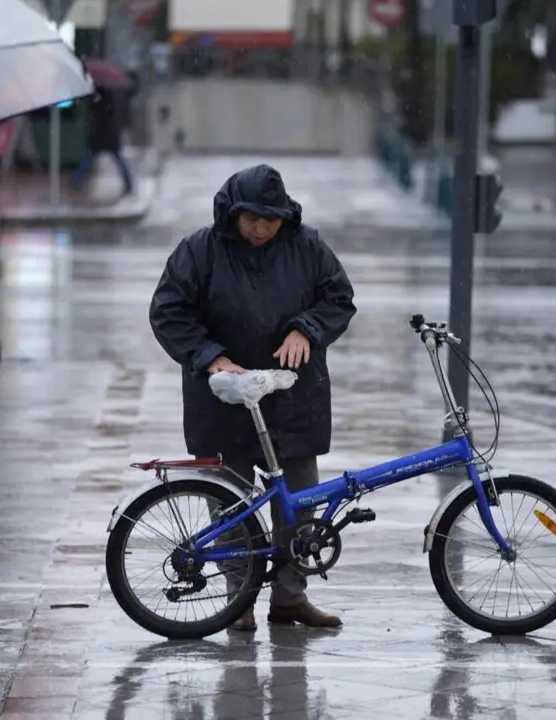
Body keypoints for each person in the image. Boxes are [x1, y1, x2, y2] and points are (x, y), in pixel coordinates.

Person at [149, 164, 356, 631]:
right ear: (234, 213)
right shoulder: (199, 250)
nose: (261, 228)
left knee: (299, 506)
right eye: (252, 219)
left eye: (271, 219)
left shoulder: (308, 247)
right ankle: (237, 602)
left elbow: (339, 298)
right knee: (231, 508)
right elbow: (168, 310)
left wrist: (308, 328)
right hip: (224, 401)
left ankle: (289, 598)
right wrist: (210, 356)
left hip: (293, 399)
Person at [71, 87, 135, 196]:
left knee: (88, 157)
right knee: (117, 158)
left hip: (100, 134)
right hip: (108, 134)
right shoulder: (111, 95)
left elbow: (94, 114)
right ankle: (129, 183)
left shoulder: (97, 97)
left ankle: (77, 180)